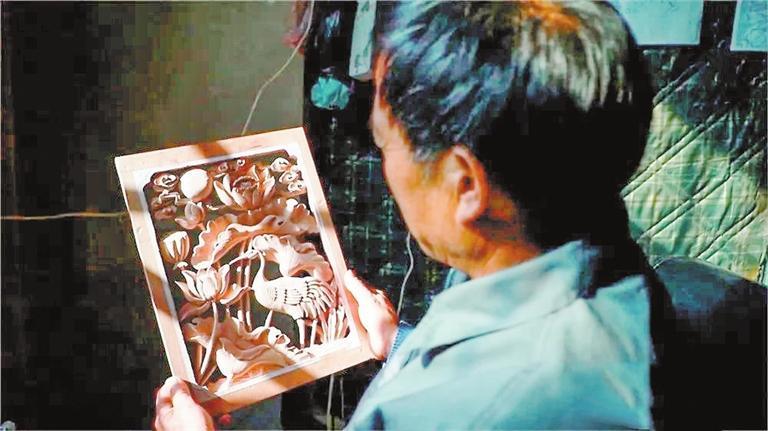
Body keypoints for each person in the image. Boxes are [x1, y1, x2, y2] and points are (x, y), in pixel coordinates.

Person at [154, 1, 661, 429]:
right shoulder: (615, 270)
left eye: (383, 142)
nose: (387, 168)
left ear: (465, 184)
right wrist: (400, 345)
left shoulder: (438, 413)